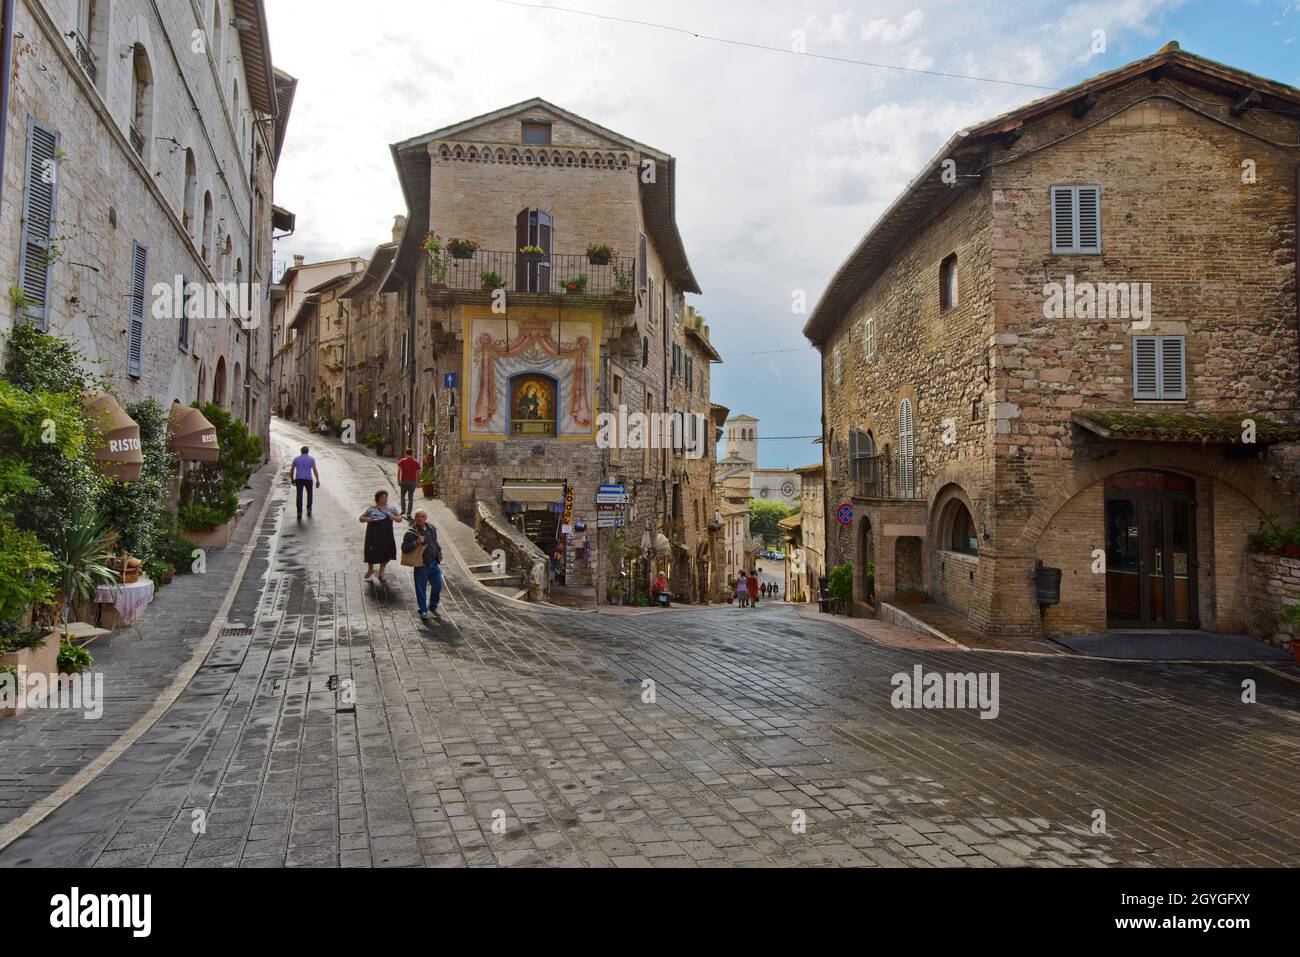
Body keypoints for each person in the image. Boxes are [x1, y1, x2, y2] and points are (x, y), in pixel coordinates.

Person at [402, 509, 444, 619]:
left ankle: (433, 606)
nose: (420, 518)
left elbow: (435, 542)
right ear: (415, 518)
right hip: (421, 565)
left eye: (422, 516)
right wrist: (416, 542)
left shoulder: (431, 529)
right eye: (418, 516)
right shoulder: (411, 533)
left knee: (438, 585)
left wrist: (439, 552)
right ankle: (423, 610)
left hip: (434, 563)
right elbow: (405, 548)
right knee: (421, 589)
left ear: (425, 518)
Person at [359, 490, 402, 582]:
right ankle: (370, 569)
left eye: (386, 497)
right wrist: (367, 519)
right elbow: (361, 518)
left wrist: (393, 517)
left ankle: (381, 574)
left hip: (386, 535)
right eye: (382, 497)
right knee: (371, 552)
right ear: (377, 499)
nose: (385, 499)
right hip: (373, 535)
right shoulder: (371, 509)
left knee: (385, 552)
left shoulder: (391, 509)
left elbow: (400, 519)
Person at [288, 446, 320, 519]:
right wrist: (317, 480)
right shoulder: (311, 459)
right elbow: (314, 470)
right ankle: (309, 509)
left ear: (301, 451)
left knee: (299, 495)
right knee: (309, 494)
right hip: (308, 479)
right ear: (308, 451)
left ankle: (299, 511)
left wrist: (292, 479)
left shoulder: (296, 459)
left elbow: (292, 470)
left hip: (299, 479)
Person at [396, 449, 421, 516]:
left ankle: (403, 510)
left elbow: (399, 471)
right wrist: (418, 482)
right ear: (412, 453)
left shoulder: (402, 461)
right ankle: (409, 513)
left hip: (404, 481)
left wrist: (398, 480)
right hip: (412, 482)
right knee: (411, 498)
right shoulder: (416, 462)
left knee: (402, 496)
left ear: (406, 453)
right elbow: (417, 473)